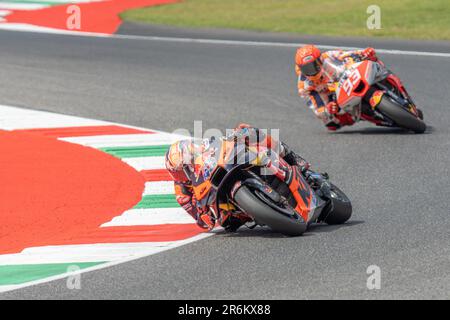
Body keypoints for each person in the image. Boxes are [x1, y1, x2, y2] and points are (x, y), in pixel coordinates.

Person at [164, 124, 310, 231]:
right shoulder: (182, 193)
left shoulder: (204, 148)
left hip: (225, 167)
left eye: (185, 166)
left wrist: (235, 136)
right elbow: (200, 220)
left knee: (247, 130)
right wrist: (204, 216)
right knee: (227, 223)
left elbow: (221, 142)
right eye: (178, 172)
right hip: (223, 205)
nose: (184, 173)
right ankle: (262, 209)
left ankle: (291, 157)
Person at [295, 44, 378, 131]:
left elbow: (345, 54)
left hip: (345, 76)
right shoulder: (303, 86)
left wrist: (362, 53)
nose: (311, 71)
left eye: (313, 66)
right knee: (331, 123)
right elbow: (317, 106)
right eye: (306, 69)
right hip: (332, 95)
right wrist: (328, 109)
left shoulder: (328, 56)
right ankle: (359, 115)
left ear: (320, 60)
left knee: (369, 59)